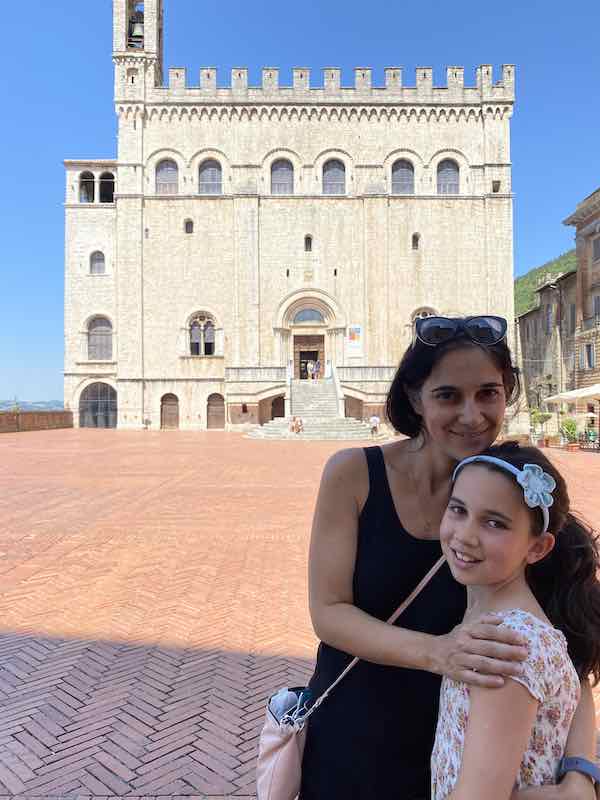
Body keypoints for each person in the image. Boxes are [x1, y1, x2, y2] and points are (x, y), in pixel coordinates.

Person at [300, 315, 596, 800]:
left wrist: (582, 774)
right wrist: (439, 653)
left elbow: (573, 653)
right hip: (357, 740)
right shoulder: (354, 475)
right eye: (448, 396)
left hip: (474, 759)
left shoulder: (520, 495)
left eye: (488, 393)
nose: (471, 415)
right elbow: (328, 613)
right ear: (416, 398)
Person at [431, 442, 600, 799]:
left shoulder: (506, 645)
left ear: (537, 548)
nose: (465, 535)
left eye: (495, 523)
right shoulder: (488, 604)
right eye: (458, 510)